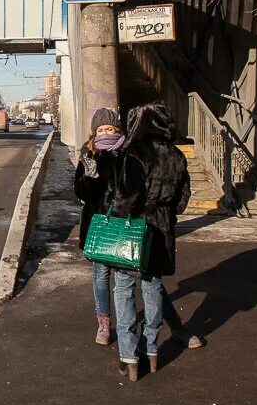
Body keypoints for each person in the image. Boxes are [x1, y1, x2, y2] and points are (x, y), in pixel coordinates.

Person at [111, 101, 191, 382]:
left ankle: (129, 356)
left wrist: (117, 213)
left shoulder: (135, 154)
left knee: (123, 289)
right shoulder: (177, 157)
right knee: (153, 286)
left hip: (135, 230)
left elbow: (126, 198)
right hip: (163, 230)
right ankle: (152, 350)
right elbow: (182, 203)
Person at [74, 108, 126, 346]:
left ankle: (134, 323)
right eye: (101, 129)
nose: (105, 133)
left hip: (125, 224)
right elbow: (80, 192)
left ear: (118, 129)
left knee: (132, 276)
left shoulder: (127, 153)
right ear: (94, 132)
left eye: (110, 128)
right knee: (101, 275)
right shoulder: (89, 154)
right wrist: (89, 177)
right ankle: (104, 323)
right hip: (98, 224)